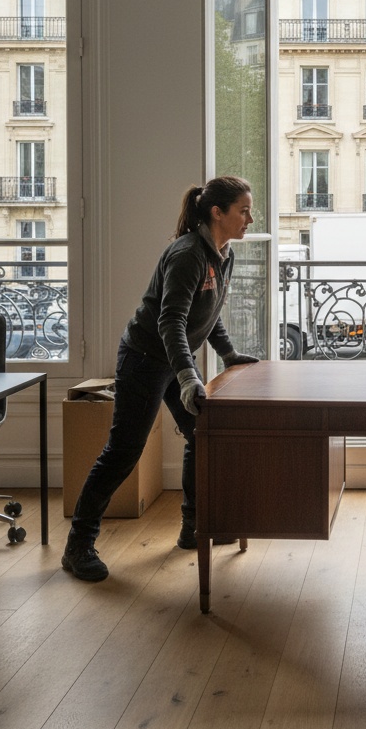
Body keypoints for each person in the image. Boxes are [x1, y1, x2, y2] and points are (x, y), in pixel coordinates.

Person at [61, 175, 260, 582]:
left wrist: (228, 354)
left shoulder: (224, 253)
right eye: (243, 210)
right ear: (217, 212)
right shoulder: (187, 254)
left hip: (175, 359)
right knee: (124, 449)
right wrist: (189, 377)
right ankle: (77, 545)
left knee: (201, 434)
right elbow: (172, 320)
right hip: (145, 358)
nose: (250, 218)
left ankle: (193, 527)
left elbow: (210, 310)